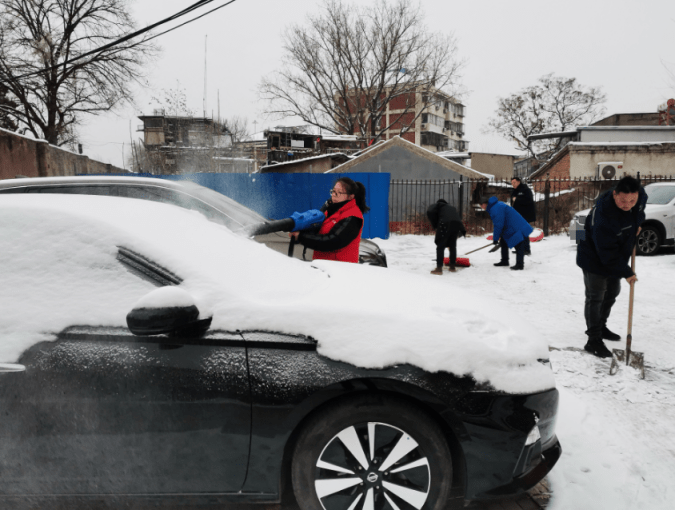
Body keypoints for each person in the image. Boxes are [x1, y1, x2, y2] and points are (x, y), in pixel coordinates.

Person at [576, 175, 647, 358]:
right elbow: (606, 253)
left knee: (612, 291)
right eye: (623, 200)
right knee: (596, 296)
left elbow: (639, 210)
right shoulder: (603, 216)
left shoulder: (640, 197)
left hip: (616, 254)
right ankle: (593, 340)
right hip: (594, 256)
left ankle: (601, 326)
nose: (627, 204)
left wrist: (637, 224)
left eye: (632, 200)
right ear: (615, 194)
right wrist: (627, 272)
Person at [290, 177, 369, 263]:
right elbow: (318, 231)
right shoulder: (330, 211)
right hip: (324, 266)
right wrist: (301, 231)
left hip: (340, 270)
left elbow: (333, 241)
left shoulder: (353, 216)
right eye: (333, 191)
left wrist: (301, 237)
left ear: (350, 197)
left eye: (339, 193)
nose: (333, 195)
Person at [480, 196, 533, 270]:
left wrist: (495, 238)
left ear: (484, 204)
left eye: (481, 205)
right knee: (503, 242)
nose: (481, 207)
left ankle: (520, 264)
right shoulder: (495, 206)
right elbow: (500, 223)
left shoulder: (495, 208)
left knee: (518, 244)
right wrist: (498, 236)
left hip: (515, 226)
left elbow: (498, 224)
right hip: (512, 225)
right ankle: (504, 261)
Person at [426, 199, 466, 275]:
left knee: (440, 246)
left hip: (445, 224)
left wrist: (435, 225)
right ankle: (452, 267)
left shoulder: (438, 205)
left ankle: (439, 269)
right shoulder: (451, 208)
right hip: (456, 224)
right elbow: (457, 218)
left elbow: (430, 211)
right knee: (452, 245)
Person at [510, 177, 536, 255]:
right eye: (512, 183)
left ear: (519, 182)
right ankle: (520, 249)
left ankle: (527, 249)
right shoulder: (514, 191)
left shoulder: (526, 190)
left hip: (525, 215)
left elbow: (528, 201)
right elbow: (513, 202)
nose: (513, 184)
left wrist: (517, 199)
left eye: (514, 182)